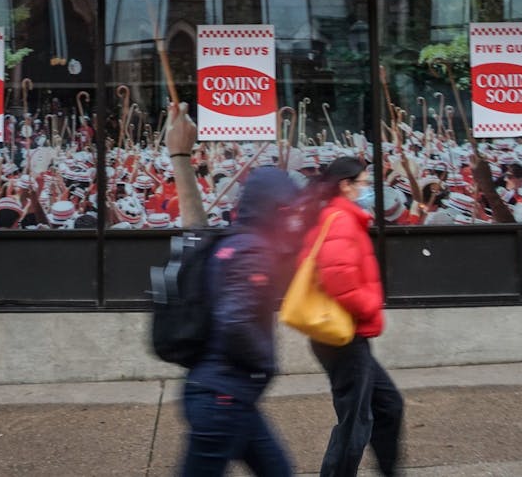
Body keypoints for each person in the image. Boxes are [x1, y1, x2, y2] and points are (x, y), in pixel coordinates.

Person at [165, 102, 298, 476]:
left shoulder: (232, 242)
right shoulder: (252, 251)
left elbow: (195, 229)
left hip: (227, 394)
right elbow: (235, 320)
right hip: (222, 397)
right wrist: (264, 363)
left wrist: (180, 156)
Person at [298, 155, 404, 477]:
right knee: (355, 424)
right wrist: (371, 305)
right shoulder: (340, 220)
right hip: (344, 335)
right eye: (363, 183)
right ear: (346, 185)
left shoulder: (338, 217)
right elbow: (338, 281)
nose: (366, 189)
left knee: (387, 405)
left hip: (345, 334)